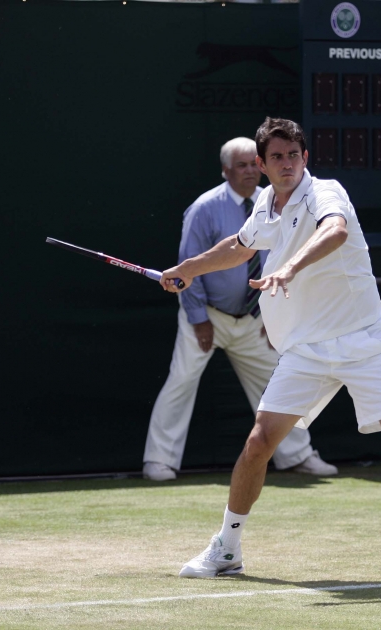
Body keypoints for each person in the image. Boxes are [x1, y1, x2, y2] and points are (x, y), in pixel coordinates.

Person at [159, 117, 381, 579]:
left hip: (366, 344)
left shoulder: (326, 193)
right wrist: (190, 268)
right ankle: (227, 549)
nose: (286, 164)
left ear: (305, 158)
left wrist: (291, 267)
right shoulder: (264, 203)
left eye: (293, 155)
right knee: (258, 443)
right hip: (306, 351)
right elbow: (240, 247)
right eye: (276, 157)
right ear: (260, 164)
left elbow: (335, 231)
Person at [142, 137, 337, 482]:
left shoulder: (274, 204)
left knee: (278, 384)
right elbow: (189, 266)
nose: (249, 171)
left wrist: (270, 315)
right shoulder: (204, 208)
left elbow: (279, 260)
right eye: (241, 165)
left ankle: (297, 455)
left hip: (253, 319)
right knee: (180, 383)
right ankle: (159, 461)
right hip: (205, 317)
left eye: (253, 164)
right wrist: (199, 319)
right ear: (226, 171)